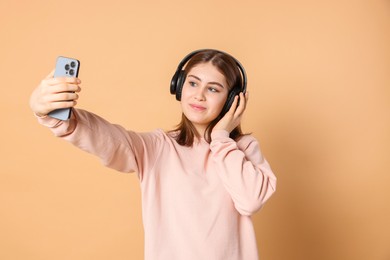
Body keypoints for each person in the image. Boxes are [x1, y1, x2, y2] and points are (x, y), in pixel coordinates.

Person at [30, 49, 277, 260]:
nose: (199, 95)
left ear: (233, 100)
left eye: (213, 89)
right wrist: (54, 116)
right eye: (192, 83)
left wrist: (222, 139)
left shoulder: (243, 149)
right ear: (178, 86)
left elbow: (251, 200)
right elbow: (107, 138)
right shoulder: (157, 147)